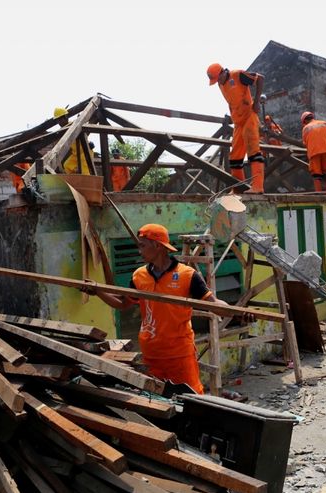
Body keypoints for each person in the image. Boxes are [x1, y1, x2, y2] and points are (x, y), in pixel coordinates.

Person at [88, 224, 248, 394]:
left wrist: (238, 313)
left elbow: (213, 303)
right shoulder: (139, 276)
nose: (139, 251)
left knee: (191, 399)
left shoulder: (187, 275)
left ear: (157, 245)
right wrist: (97, 291)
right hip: (151, 353)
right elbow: (122, 304)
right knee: (157, 399)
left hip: (178, 353)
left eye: (143, 245)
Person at [206, 63, 266, 193]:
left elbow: (260, 78)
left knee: (253, 150)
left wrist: (256, 102)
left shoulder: (237, 75)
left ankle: (258, 186)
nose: (218, 82)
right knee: (234, 157)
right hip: (238, 122)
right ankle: (238, 188)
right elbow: (231, 101)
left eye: (218, 79)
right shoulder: (220, 85)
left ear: (223, 72)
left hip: (249, 116)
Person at [301, 111, 326, 193]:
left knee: (316, 174)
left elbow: (305, 144)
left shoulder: (306, 128)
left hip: (314, 153)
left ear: (305, 121)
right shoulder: (325, 123)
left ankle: (319, 194)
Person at [53, 107, 90, 175]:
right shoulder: (62, 130)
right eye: (58, 120)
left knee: (85, 173)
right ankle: (75, 180)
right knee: (67, 166)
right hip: (75, 154)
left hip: (84, 152)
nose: (59, 122)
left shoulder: (74, 124)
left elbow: (86, 124)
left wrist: (81, 119)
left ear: (66, 117)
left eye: (60, 119)